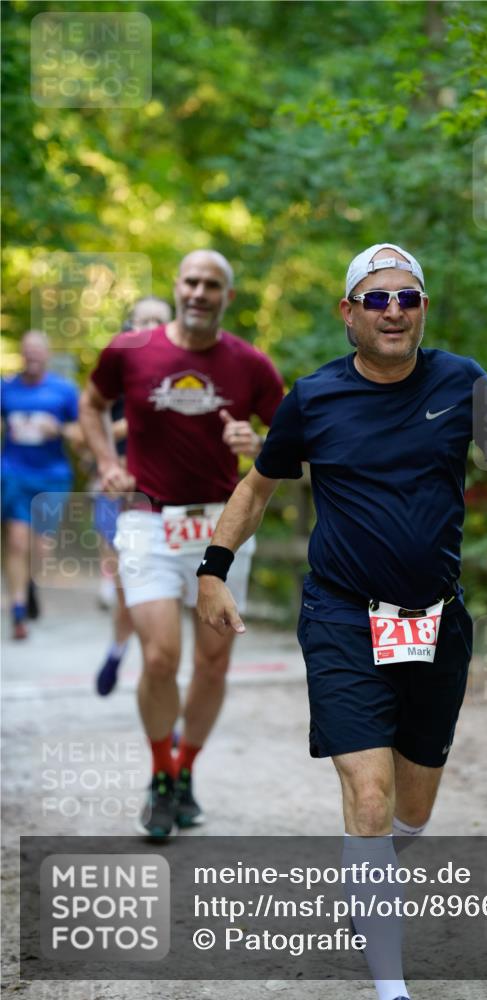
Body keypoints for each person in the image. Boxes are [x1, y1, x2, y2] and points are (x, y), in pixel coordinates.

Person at [197, 244, 487, 1000]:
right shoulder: (314, 397)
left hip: (433, 622)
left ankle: (367, 877)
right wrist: (212, 572)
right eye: (377, 298)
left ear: (421, 310)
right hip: (342, 618)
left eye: (408, 299)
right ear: (348, 312)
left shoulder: (462, 382)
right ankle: (391, 986)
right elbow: (256, 491)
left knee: (410, 812)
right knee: (371, 797)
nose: (394, 311)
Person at [79, 251, 284, 837]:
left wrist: (258, 440)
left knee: (213, 666)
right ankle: (161, 775)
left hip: (224, 526)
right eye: (191, 281)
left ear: (227, 295)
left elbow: (293, 442)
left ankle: (186, 770)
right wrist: (106, 461)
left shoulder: (251, 365)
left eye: (212, 284)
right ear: (176, 286)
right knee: (161, 656)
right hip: (147, 517)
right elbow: (91, 405)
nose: (199, 291)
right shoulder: (130, 352)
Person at [93, 296, 174, 697]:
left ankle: (149, 672)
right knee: (131, 590)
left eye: (159, 321)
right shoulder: (116, 369)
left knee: (153, 597)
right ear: (130, 326)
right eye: (144, 321)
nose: (151, 328)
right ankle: (120, 648)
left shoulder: (184, 370)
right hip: (120, 489)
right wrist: (109, 461)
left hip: (166, 498)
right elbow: (88, 426)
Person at [2, 331, 81, 640]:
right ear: (22, 355)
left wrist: (58, 428)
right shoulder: (6, 389)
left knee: (41, 546)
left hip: (52, 477)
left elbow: (80, 433)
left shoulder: (64, 391)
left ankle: (30, 582)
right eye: (27, 352)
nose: (32, 357)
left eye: (37, 352)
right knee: (17, 541)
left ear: (46, 355)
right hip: (14, 474)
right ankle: (18, 610)